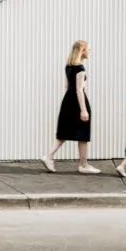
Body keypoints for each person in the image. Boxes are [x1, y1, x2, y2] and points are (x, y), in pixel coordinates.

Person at [41, 39, 101, 174]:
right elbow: (79, 90)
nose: (89, 51)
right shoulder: (80, 68)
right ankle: (83, 165)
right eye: (88, 49)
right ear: (82, 51)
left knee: (64, 132)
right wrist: (84, 109)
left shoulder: (68, 66)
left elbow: (67, 87)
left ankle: (48, 156)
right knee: (83, 134)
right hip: (78, 102)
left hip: (68, 100)